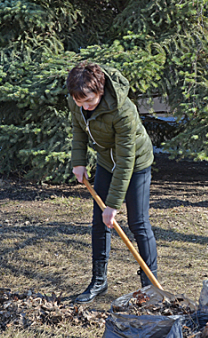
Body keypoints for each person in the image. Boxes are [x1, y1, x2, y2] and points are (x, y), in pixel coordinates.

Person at [67, 61, 158, 303]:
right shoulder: (77, 100)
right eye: (79, 102)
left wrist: (113, 205)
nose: (84, 107)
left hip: (135, 163)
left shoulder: (123, 110)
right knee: (99, 221)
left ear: (100, 90)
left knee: (138, 223)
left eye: (89, 101)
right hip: (107, 161)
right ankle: (99, 281)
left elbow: (126, 160)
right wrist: (79, 161)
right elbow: (78, 129)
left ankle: (151, 288)